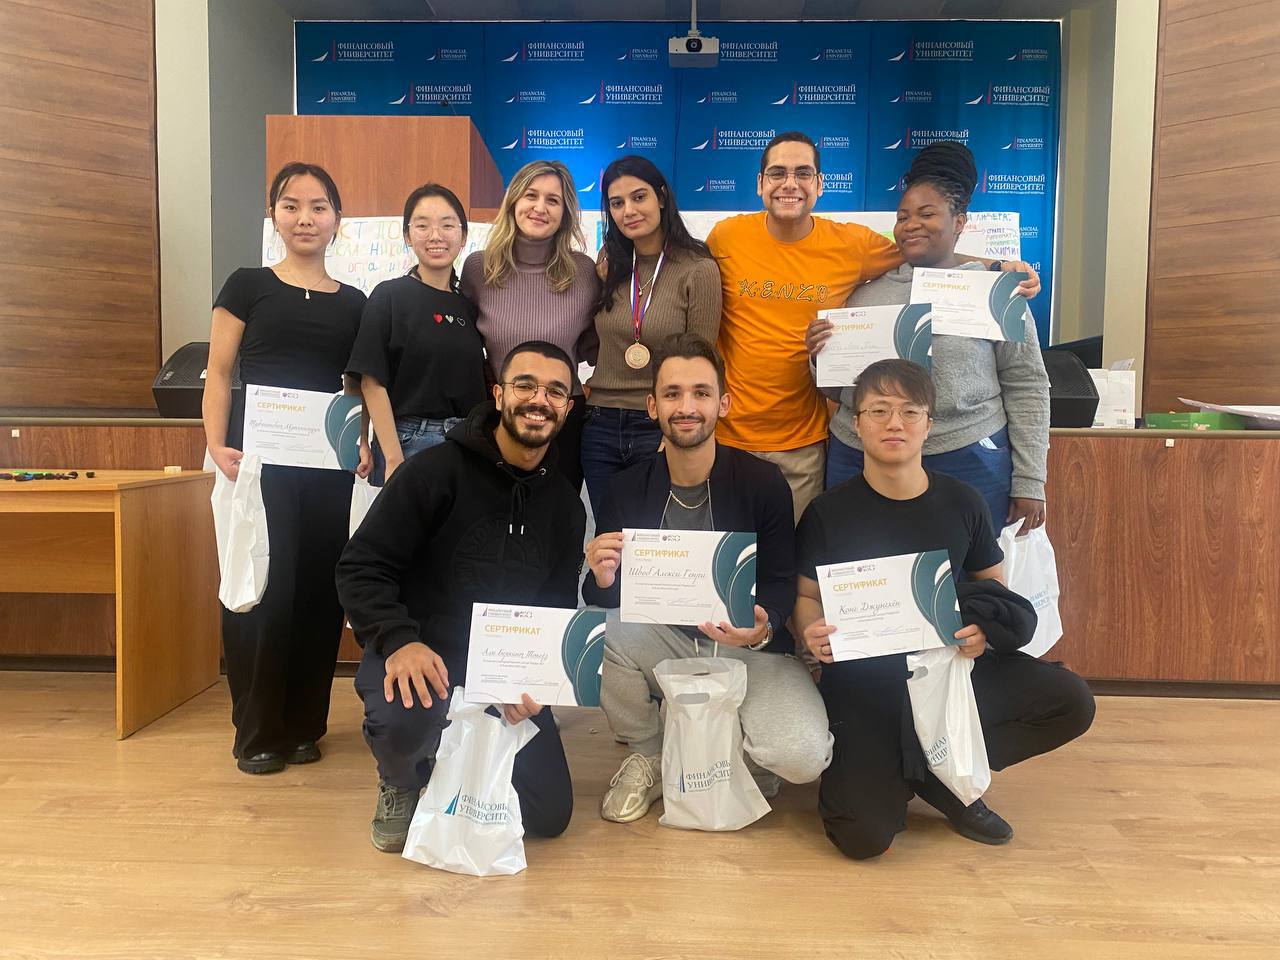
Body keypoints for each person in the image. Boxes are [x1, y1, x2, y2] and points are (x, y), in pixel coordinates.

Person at [792, 359, 1094, 860]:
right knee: (862, 839)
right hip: (867, 687)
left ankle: (939, 774)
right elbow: (806, 598)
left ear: (929, 424)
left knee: (1071, 701)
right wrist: (811, 632)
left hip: (951, 674)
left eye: (910, 411)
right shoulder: (829, 512)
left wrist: (982, 632)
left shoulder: (962, 501)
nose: (895, 423)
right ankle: (922, 767)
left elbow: (993, 589)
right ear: (857, 423)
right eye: (879, 410)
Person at [707, 131, 1040, 521]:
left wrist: (998, 268)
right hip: (758, 439)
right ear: (760, 183)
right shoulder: (727, 237)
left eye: (803, 173)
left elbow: (927, 250)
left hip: (833, 446)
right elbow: (839, 381)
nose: (789, 184)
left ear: (820, 184)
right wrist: (819, 357)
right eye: (778, 173)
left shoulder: (854, 246)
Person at [336, 341, 585, 853]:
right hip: (422, 652)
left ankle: (448, 765)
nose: (539, 400)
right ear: (498, 394)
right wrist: (399, 640)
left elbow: (555, 608)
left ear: (567, 408)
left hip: (499, 669)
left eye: (555, 391)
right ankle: (401, 778)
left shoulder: (565, 505)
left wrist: (530, 679)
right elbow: (360, 566)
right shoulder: (432, 473)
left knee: (548, 814)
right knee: (403, 719)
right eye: (525, 385)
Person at [583, 333, 832, 823]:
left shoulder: (763, 482)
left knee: (803, 758)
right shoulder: (625, 487)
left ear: (724, 403)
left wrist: (762, 627)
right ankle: (650, 751)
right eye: (672, 394)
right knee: (597, 631)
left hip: (748, 648)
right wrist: (602, 575)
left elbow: (781, 581)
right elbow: (602, 596)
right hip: (666, 642)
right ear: (652, 406)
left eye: (701, 392)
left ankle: (715, 746)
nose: (686, 407)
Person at [202, 161, 369, 775]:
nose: (305, 218)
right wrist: (215, 442)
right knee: (264, 589)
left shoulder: (355, 303)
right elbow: (219, 372)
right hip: (258, 465)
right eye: (292, 205)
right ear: (274, 215)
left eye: (318, 206)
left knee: (319, 593)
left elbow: (356, 387)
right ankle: (256, 731)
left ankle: (304, 725)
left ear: (337, 219)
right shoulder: (247, 285)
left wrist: (363, 441)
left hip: (326, 468)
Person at [808, 140, 1050, 533]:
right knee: (862, 566)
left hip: (966, 456)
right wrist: (820, 358)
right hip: (861, 457)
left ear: (960, 222)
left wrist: (1030, 478)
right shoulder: (864, 294)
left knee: (969, 568)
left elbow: (1026, 384)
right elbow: (839, 391)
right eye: (902, 217)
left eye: (927, 214)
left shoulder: (996, 293)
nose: (911, 224)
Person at [581, 156, 722, 516]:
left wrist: (672, 429)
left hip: (658, 424)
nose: (628, 210)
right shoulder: (608, 265)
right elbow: (596, 344)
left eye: (639, 197)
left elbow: (701, 363)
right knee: (610, 534)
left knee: (656, 537)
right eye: (617, 203)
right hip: (600, 422)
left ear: (661, 197)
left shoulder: (698, 269)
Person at [461, 160, 600, 492]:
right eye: (531, 195)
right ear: (513, 202)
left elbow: (598, 347)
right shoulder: (479, 268)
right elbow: (464, 344)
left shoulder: (584, 272)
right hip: (500, 416)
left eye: (553, 200)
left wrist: (592, 388)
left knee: (556, 514)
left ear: (565, 212)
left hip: (562, 422)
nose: (540, 207)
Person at [347, 183, 487, 486]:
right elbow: (371, 381)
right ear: (408, 235)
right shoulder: (389, 296)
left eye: (447, 225)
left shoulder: (470, 306)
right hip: (407, 441)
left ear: (463, 236)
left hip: (466, 443)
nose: (435, 236)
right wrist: (393, 458)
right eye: (422, 226)